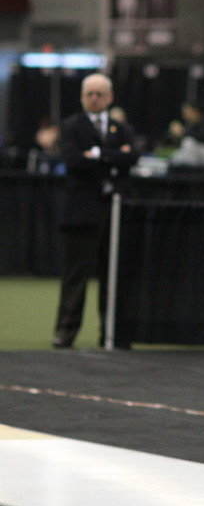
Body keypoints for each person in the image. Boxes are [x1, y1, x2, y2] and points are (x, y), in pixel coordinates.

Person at [53, 73, 139, 349]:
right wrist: (112, 158)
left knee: (113, 276)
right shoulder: (70, 126)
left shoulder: (121, 128)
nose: (94, 98)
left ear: (110, 98)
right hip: (80, 214)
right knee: (75, 276)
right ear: (81, 97)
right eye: (89, 93)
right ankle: (65, 332)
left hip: (113, 213)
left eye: (99, 94)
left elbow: (131, 158)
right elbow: (74, 161)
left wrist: (98, 155)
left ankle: (111, 333)